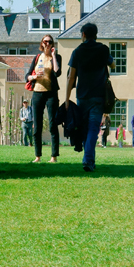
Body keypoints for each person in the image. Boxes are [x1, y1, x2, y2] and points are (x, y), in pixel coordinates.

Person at [64, 23, 115, 172]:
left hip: (82, 96)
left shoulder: (77, 52)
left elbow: (71, 77)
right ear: (95, 34)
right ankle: (88, 160)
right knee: (93, 128)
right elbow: (113, 65)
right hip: (99, 95)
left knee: (86, 129)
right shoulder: (103, 49)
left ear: (84, 35)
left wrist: (67, 99)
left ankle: (88, 160)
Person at [26, 34, 62, 163]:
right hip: (37, 93)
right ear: (42, 43)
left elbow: (57, 72)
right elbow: (28, 76)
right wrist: (34, 77)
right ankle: (38, 156)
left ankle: (54, 156)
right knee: (37, 126)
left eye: (50, 41)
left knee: (53, 125)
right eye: (45, 41)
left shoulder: (56, 57)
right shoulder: (37, 57)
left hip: (51, 93)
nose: (47, 44)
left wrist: (53, 56)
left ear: (52, 44)